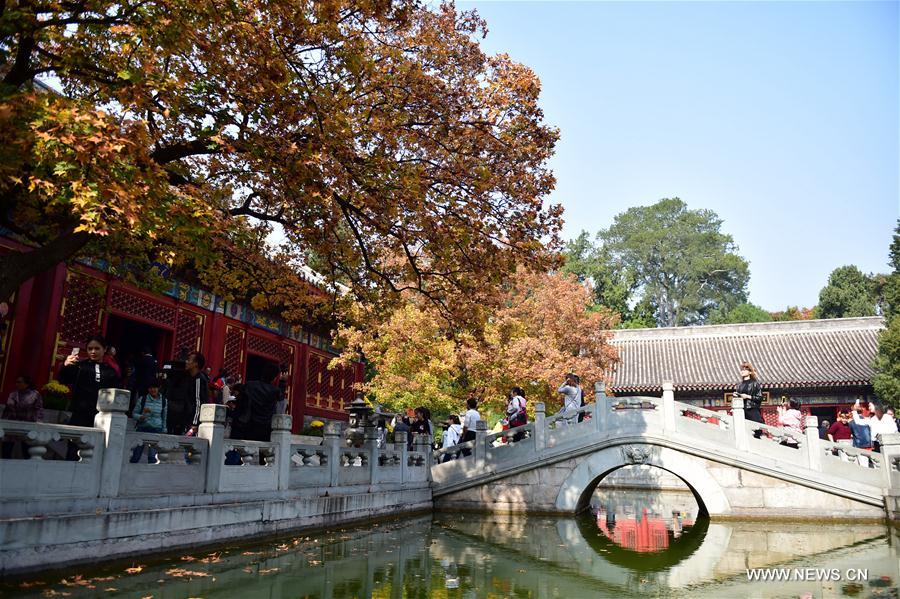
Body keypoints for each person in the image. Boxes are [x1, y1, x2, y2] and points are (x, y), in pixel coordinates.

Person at [58, 335, 121, 428]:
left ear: (104, 349)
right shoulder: (80, 366)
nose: (93, 351)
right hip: (80, 414)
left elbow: (115, 392)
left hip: (102, 417)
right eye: (90, 349)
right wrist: (65, 365)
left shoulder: (111, 371)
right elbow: (63, 380)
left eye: (97, 348)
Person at [230, 362, 281, 442]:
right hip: (265, 428)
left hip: (247, 425)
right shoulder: (276, 391)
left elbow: (240, 404)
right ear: (274, 378)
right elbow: (278, 409)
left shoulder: (249, 385)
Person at [165, 351, 210, 436]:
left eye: (189, 360)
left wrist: (195, 423)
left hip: (192, 422)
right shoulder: (187, 377)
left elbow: (198, 402)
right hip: (183, 418)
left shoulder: (199, 379)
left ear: (196, 364)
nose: (186, 362)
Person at [1, 375, 43, 459]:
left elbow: (39, 410)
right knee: (6, 450)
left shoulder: (35, 395)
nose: (17, 384)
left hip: (28, 425)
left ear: (27, 384)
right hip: (12, 425)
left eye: (19, 382)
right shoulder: (13, 394)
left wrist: (38, 423)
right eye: (16, 382)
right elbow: (7, 410)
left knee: (27, 451)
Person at [129, 380, 167, 463]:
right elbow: (134, 413)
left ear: (158, 388)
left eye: (155, 388)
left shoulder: (164, 401)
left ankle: (151, 470)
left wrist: (164, 429)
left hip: (156, 429)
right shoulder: (143, 399)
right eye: (150, 388)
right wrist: (140, 417)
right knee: (136, 454)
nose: (153, 390)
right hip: (143, 427)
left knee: (152, 456)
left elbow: (164, 416)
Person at [734, 361, 765, 435]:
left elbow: (760, 398)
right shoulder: (739, 385)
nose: (742, 371)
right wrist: (736, 395)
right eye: (742, 369)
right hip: (742, 410)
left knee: (756, 432)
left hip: (752, 410)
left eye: (745, 370)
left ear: (750, 372)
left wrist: (747, 396)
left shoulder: (755, 384)